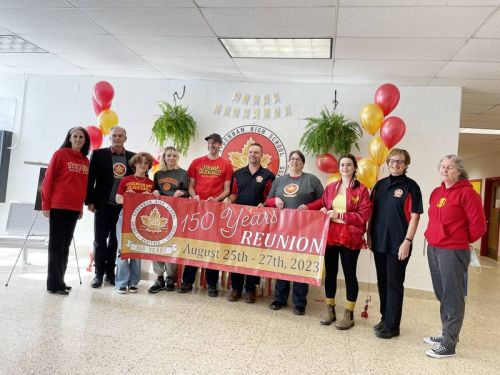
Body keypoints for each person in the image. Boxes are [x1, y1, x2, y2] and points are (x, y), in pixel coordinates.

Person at [423, 155, 486, 358]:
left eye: (450, 167)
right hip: (434, 248)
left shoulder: (468, 194)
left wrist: (458, 239)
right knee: (442, 294)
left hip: (452, 250)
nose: (445, 170)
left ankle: (449, 345)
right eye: (442, 166)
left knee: (453, 297)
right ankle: (447, 333)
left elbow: (479, 227)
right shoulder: (437, 192)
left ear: (459, 171)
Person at [368, 148, 423, 339]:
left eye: (399, 161)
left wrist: (407, 242)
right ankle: (385, 319)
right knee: (382, 281)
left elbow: (415, 217)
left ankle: (393, 326)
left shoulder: (411, 187)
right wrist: (368, 235)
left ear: (406, 164)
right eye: (392, 161)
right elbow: (371, 214)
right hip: (379, 242)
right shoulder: (379, 185)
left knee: (394, 283)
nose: (395, 164)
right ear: (387, 162)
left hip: (398, 245)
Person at [265, 150, 324, 315]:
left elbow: (323, 199)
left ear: (303, 163)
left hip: (303, 231)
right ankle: (279, 299)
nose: (294, 161)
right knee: (282, 263)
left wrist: (309, 207)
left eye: (298, 159)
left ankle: (299, 303)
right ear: (288, 162)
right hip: (281, 230)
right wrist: (274, 200)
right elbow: (267, 200)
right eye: (292, 159)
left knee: (300, 265)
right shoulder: (279, 181)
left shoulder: (311, 180)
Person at [177, 133, 233, 297]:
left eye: (215, 143)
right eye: (210, 142)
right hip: (197, 209)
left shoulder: (226, 164)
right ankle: (187, 282)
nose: (212, 145)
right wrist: (194, 196)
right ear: (207, 144)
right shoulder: (196, 162)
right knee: (193, 245)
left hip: (215, 211)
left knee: (211, 247)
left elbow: (227, 189)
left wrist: (215, 200)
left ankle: (212, 285)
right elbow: (191, 185)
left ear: (220, 145)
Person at [319, 154, 371, 329]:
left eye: (349, 165)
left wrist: (340, 215)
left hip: (350, 236)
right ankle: (330, 309)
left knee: (349, 274)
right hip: (331, 235)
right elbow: (324, 204)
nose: (345, 167)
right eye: (342, 165)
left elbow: (364, 216)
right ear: (339, 167)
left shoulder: (362, 190)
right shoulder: (331, 187)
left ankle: (349, 313)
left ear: (355, 168)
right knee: (331, 273)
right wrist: (323, 209)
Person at [42, 127, 90, 295]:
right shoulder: (60, 154)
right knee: (56, 246)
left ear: (85, 141)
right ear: (69, 138)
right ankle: (54, 285)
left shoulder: (85, 160)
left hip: (73, 208)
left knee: (65, 246)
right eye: (75, 136)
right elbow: (48, 180)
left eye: (81, 137)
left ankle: (60, 281)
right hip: (58, 206)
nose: (78, 139)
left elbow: (82, 186)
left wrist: (80, 208)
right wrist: (46, 204)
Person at [86, 126, 135, 288]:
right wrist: (90, 201)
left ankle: (109, 273)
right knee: (100, 240)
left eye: (121, 135)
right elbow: (90, 179)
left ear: (125, 139)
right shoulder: (98, 154)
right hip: (102, 204)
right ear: (110, 137)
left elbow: (139, 179)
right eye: (115, 135)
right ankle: (98, 274)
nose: (118, 138)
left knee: (115, 241)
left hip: (123, 208)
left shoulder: (133, 158)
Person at [226, 143, 275, 303]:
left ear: (261, 155)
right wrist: (229, 201)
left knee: (253, 255)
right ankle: (236, 288)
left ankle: (250, 289)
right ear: (248, 154)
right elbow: (234, 194)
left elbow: (269, 197)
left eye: (256, 152)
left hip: (258, 222)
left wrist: (265, 204)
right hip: (238, 221)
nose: (253, 155)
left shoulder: (268, 175)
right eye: (251, 152)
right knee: (237, 252)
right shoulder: (238, 173)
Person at [148, 146, 189, 294]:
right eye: (168, 155)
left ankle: (170, 277)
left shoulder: (183, 174)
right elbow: (152, 190)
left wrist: (182, 192)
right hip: (159, 213)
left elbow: (187, 194)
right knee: (156, 243)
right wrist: (155, 191)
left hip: (176, 214)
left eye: (174, 156)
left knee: (171, 245)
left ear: (177, 158)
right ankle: (159, 277)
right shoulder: (158, 174)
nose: (171, 158)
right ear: (164, 157)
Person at [114, 152, 155, 294]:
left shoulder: (151, 183)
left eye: (146, 163)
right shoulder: (126, 180)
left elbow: (153, 203)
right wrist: (128, 196)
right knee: (123, 249)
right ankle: (121, 282)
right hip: (125, 217)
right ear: (135, 164)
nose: (143, 165)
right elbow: (118, 199)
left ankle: (133, 282)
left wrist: (149, 196)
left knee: (136, 249)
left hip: (141, 219)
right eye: (140, 162)